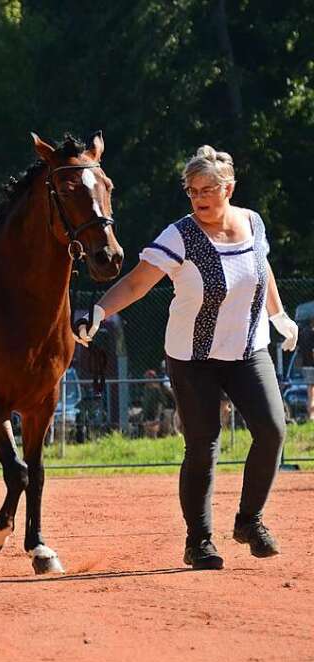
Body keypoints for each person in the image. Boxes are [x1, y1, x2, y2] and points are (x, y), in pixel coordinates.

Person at [75, 145, 298, 570]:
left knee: (272, 431)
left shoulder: (252, 222)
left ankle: (249, 521)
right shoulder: (179, 235)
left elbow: (262, 267)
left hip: (249, 350)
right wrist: (99, 310)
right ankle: (199, 541)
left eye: (207, 189)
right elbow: (139, 283)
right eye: (192, 190)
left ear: (228, 187)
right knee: (202, 445)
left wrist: (279, 314)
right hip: (193, 358)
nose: (199, 198)